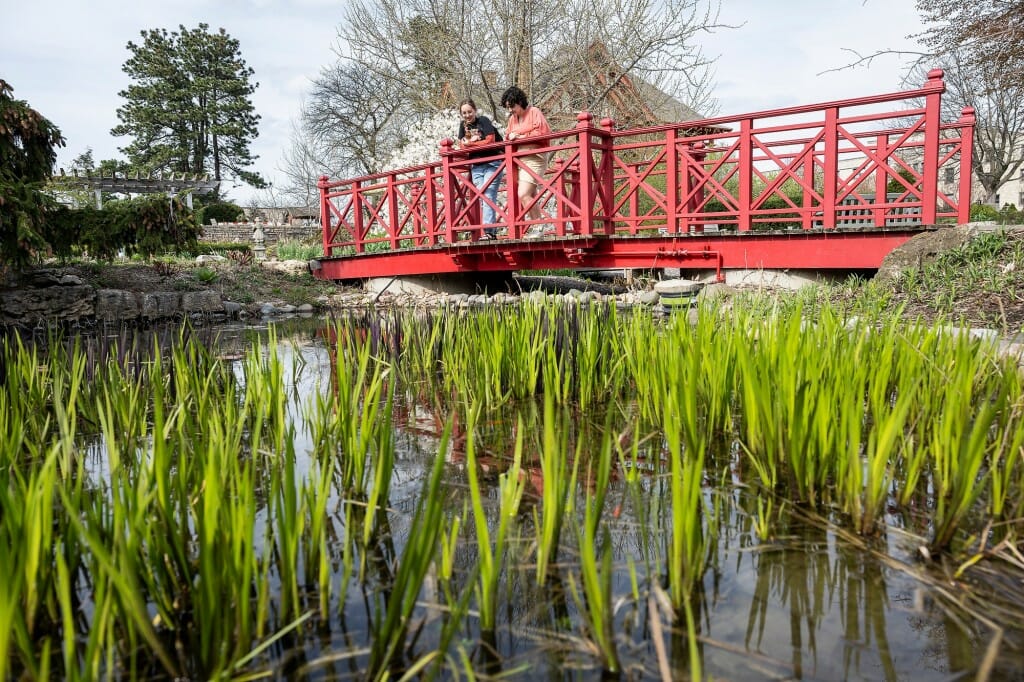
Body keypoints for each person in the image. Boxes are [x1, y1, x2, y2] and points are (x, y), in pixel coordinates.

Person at [500, 86, 552, 238]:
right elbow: (508, 136)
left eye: (512, 106)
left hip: (535, 158)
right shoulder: (512, 119)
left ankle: (538, 226)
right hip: (519, 160)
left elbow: (542, 133)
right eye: (508, 107)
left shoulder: (534, 112)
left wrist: (520, 137)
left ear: (520, 102)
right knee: (529, 194)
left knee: (523, 194)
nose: (511, 110)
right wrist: (513, 137)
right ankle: (538, 226)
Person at [456, 98, 504, 239]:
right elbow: (461, 145)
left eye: (469, 112)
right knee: (482, 197)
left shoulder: (483, 121)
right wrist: (473, 144)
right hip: (476, 165)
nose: (467, 115)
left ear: (474, 110)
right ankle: (491, 231)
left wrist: (471, 144)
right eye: (464, 113)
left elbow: (490, 140)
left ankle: (488, 232)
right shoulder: (462, 126)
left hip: (492, 162)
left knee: (488, 194)